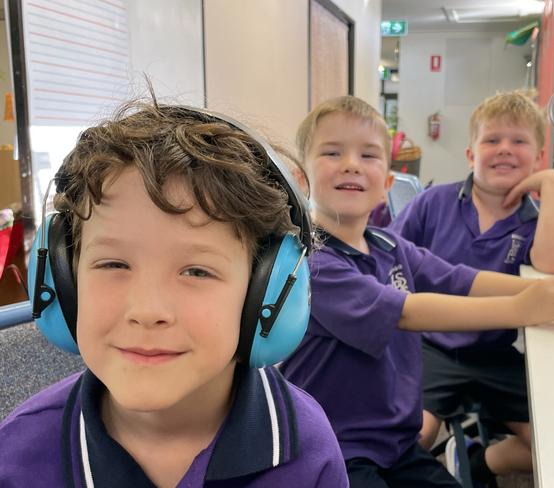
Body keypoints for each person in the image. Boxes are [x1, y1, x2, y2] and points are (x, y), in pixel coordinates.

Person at [0, 99, 349, 488]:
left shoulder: (306, 448)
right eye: (114, 265)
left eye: (196, 271)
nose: (148, 311)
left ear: (266, 294)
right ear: (62, 280)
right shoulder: (17, 459)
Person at [279, 95, 554, 488]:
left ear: (388, 183)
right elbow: (407, 311)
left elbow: (459, 278)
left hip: (394, 442)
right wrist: (523, 307)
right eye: (332, 152)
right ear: (302, 178)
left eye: (369, 155)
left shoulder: (387, 245)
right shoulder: (312, 260)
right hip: (337, 448)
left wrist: (545, 290)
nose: (351, 164)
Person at [390, 89, 554, 485]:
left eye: (519, 141)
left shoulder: (537, 220)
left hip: (497, 353)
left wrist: (552, 184)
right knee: (411, 438)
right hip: (433, 348)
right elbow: (388, 255)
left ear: (537, 157)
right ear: (470, 154)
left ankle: (483, 462)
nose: (505, 150)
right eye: (491, 140)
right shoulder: (434, 203)